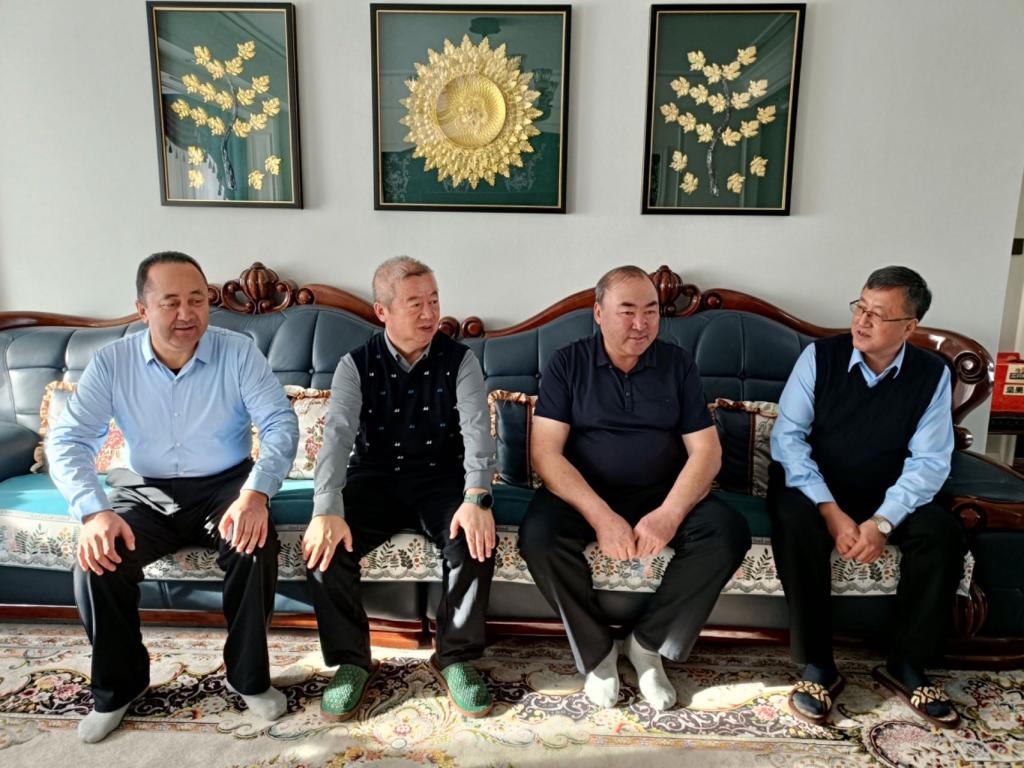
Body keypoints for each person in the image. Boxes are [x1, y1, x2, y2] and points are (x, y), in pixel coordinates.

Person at [47, 251, 299, 743]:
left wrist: (256, 493)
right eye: (171, 303)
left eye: (197, 300)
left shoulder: (239, 352)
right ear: (143, 310)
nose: (187, 314)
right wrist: (93, 511)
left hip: (226, 485)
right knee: (97, 560)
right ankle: (120, 688)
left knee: (253, 545)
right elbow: (69, 440)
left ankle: (247, 677)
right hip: (144, 490)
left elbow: (279, 424)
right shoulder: (112, 362)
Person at [518, 266, 751, 711]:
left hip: (661, 491)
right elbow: (546, 454)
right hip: (584, 492)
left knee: (728, 533)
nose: (641, 324)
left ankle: (647, 645)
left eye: (651, 311)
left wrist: (669, 514)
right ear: (598, 313)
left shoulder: (678, 364)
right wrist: (601, 516)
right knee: (539, 538)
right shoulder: (567, 363)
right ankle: (597, 653)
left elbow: (706, 452)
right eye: (627, 311)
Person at [769, 265, 965, 729]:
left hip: (888, 489)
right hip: (817, 488)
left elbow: (930, 461)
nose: (862, 321)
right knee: (792, 518)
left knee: (943, 532)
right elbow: (788, 439)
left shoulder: (932, 374)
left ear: (909, 327)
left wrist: (882, 521)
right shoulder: (819, 357)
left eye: (877, 314)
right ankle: (818, 665)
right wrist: (831, 511)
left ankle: (907, 664)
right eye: (860, 307)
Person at [302, 256, 497, 720]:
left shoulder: (461, 360)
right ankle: (352, 662)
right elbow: (337, 438)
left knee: (474, 541)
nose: (430, 314)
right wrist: (325, 508)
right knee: (324, 548)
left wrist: (476, 497)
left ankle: (454, 658)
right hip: (375, 477)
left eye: (434, 301)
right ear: (382, 311)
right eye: (415, 304)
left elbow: (477, 431)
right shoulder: (355, 365)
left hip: (442, 478)